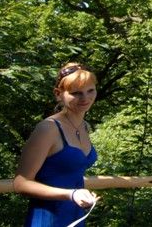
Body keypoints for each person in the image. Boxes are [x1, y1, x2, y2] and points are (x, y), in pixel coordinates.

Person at [15, 62, 100, 226]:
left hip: (75, 216)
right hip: (48, 218)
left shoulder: (84, 126)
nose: (85, 98)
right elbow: (20, 183)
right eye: (76, 93)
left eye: (91, 90)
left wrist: (79, 196)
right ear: (58, 94)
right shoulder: (48, 129)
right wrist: (71, 194)